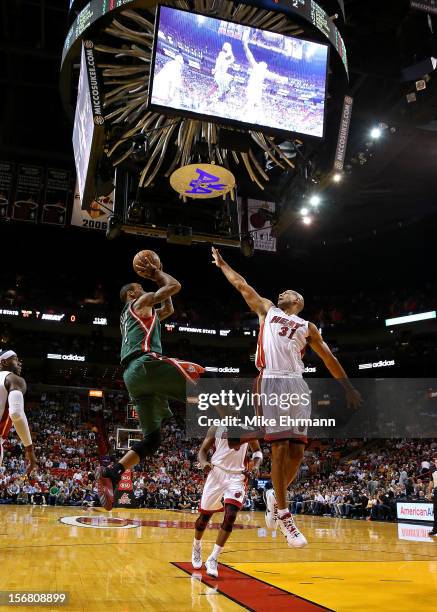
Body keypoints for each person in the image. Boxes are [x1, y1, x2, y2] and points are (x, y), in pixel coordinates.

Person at [211, 247, 362, 547]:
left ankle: (272, 495)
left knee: (297, 453)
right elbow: (242, 285)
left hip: (297, 385)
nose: (281, 292)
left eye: (287, 292)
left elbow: (329, 359)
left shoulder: (308, 327)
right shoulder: (268, 310)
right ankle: (285, 516)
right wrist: (223, 264)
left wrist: (347, 387)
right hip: (272, 381)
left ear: (298, 302)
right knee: (279, 449)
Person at [96, 257, 204, 510]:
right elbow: (174, 286)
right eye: (140, 287)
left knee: (153, 439)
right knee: (204, 380)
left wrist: (159, 280)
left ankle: (113, 471)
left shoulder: (137, 314)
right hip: (145, 365)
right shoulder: (139, 301)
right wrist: (158, 274)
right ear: (133, 293)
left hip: (133, 378)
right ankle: (234, 423)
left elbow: (168, 309)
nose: (145, 290)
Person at [192, 426, 262, 578]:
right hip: (216, 473)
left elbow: (257, 451)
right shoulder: (215, 427)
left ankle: (213, 558)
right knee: (204, 518)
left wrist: (256, 465)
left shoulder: (249, 428)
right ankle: (197, 545)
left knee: (230, 516)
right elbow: (202, 451)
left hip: (237, 476)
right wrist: (204, 462)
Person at [0, 350, 37, 474]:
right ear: (4, 362)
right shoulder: (14, 379)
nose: (19, 363)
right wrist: (29, 450)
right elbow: (16, 414)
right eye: (15, 359)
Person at [242, 31, 287, 123]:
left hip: (253, 90)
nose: (264, 64)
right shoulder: (261, 69)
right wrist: (283, 79)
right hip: (254, 90)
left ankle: (252, 118)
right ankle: (250, 118)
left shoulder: (257, 67)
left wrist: (245, 45)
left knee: (255, 105)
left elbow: (248, 55)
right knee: (253, 105)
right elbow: (275, 77)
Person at [428, 456, 437, 536]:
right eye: (436, 461)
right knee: (435, 511)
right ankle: (435, 529)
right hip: (436, 490)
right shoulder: (432, 469)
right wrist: (429, 493)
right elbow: (431, 482)